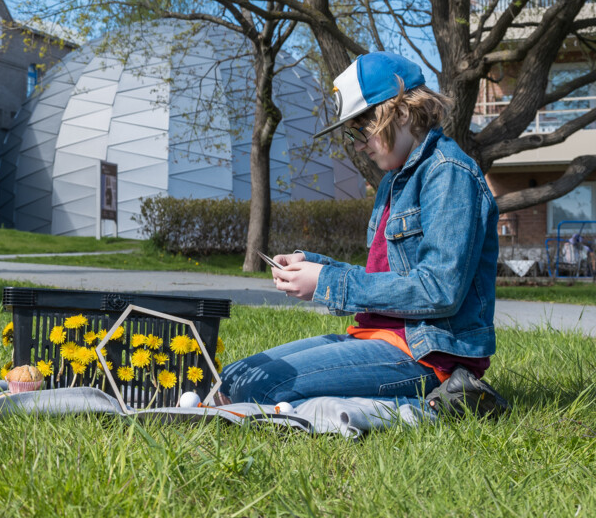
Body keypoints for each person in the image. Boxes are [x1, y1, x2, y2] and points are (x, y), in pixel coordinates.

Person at [217, 52, 508, 417]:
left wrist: (328, 283)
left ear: (401, 112)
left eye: (359, 129)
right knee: (237, 375)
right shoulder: (392, 182)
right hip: (377, 338)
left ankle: (442, 403)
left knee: (261, 387)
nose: (356, 144)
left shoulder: (449, 174)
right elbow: (386, 278)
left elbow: (439, 290)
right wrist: (315, 267)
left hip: (426, 355)